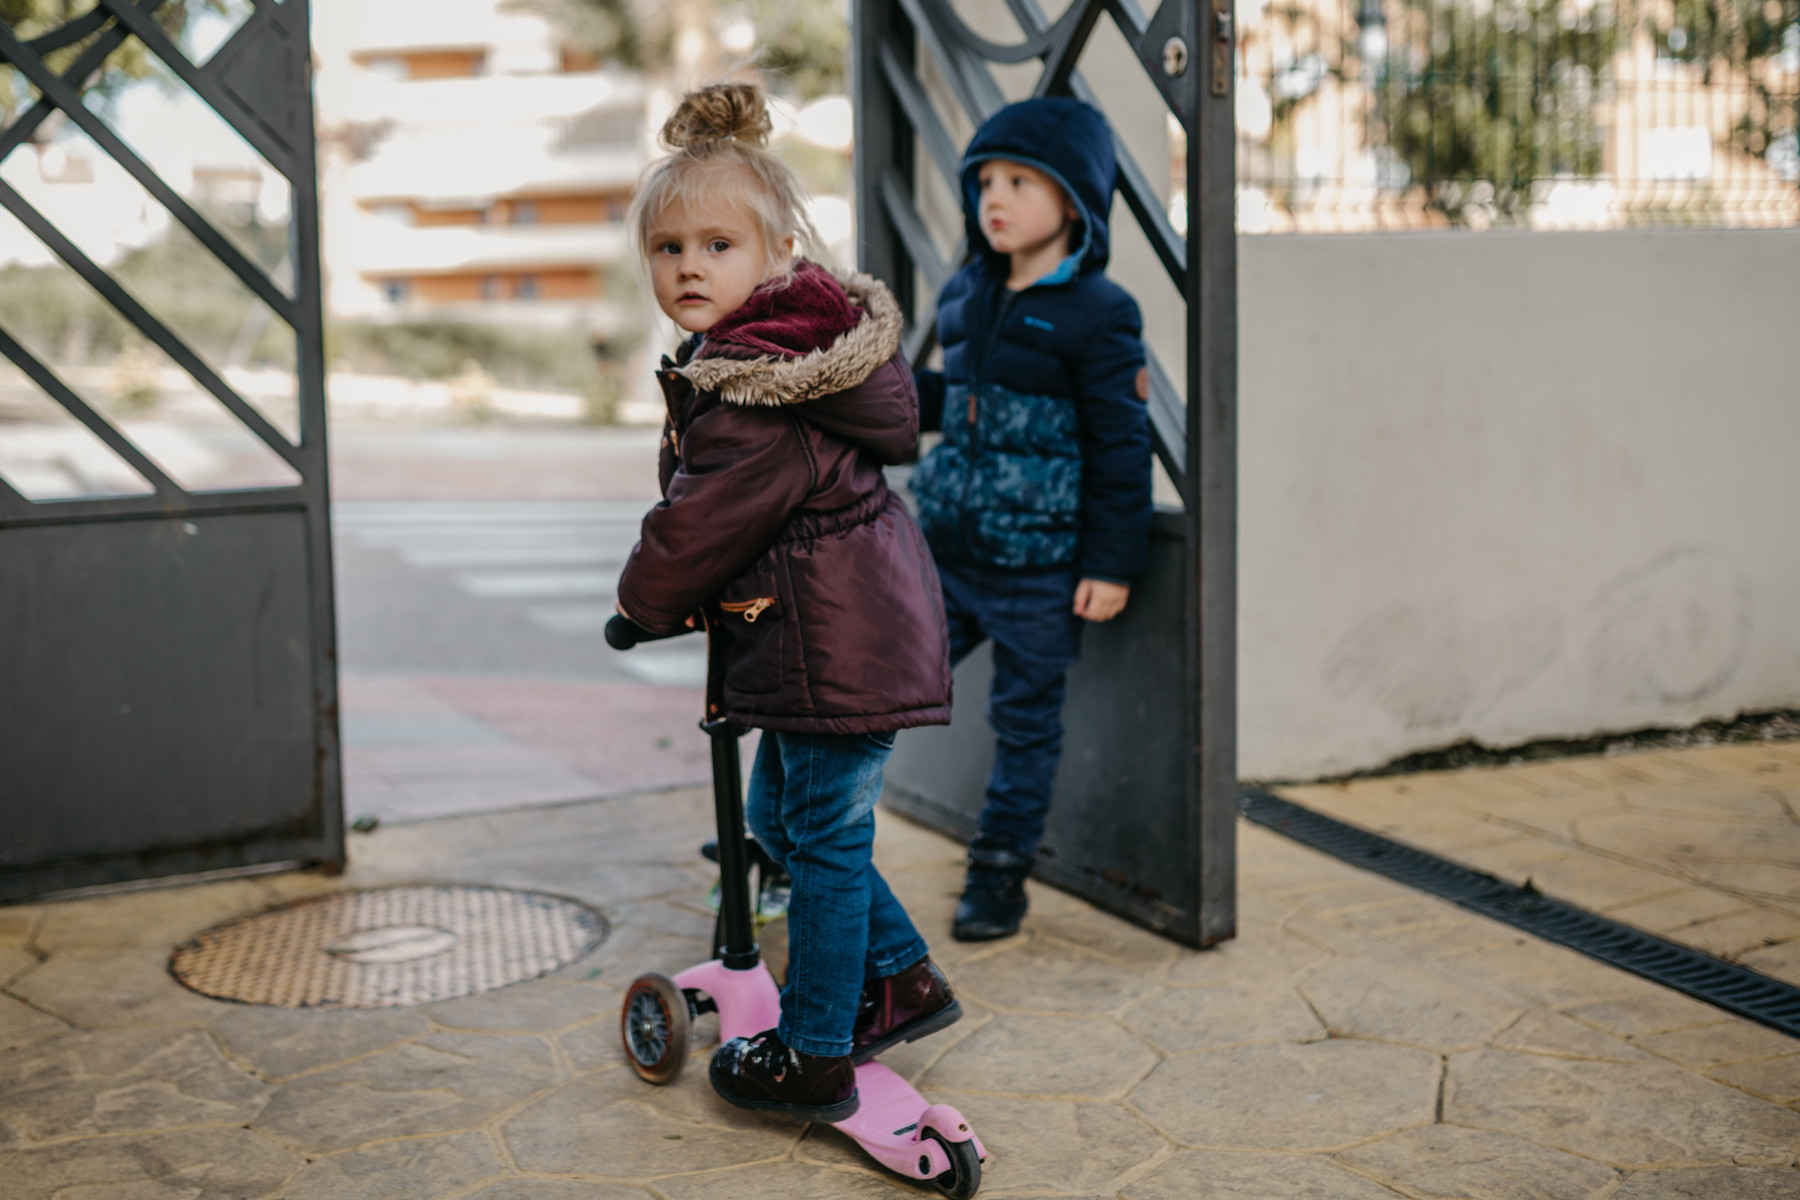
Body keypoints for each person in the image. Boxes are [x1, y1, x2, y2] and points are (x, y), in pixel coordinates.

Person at [614, 83, 961, 1123]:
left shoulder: (754, 393)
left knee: (820, 840)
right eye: (668, 249)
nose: (687, 267)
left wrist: (641, 604)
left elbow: (700, 524)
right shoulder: (789, 356)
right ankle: (899, 979)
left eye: (716, 245)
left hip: (833, 649)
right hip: (847, 632)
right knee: (791, 817)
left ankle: (813, 1050)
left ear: (775, 254)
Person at [910, 97, 1154, 942]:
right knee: (877, 689)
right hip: (946, 557)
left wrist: (1111, 563)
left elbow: (1121, 446)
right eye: (984, 182)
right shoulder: (964, 293)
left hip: (1040, 571)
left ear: (1076, 199)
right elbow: (953, 401)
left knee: (1025, 726)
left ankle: (999, 872)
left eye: (1020, 180)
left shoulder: (1100, 312)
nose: (995, 198)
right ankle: (806, 845)